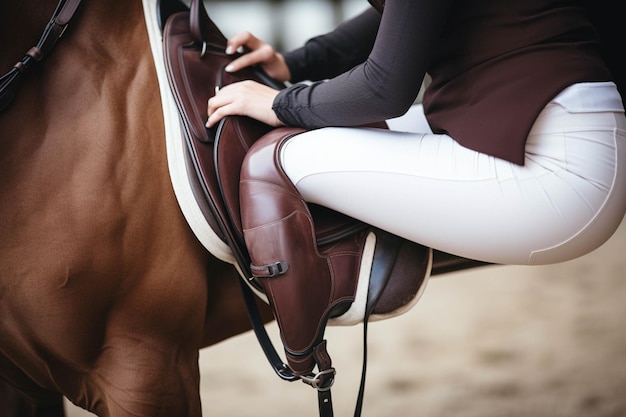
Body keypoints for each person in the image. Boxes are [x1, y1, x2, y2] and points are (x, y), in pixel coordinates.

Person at [205, 0, 626, 374]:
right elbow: (401, 16)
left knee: (279, 158)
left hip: (559, 165)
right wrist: (297, 63)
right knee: (311, 141)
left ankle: (302, 351)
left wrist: (279, 103)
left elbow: (384, 89)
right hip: (535, 118)